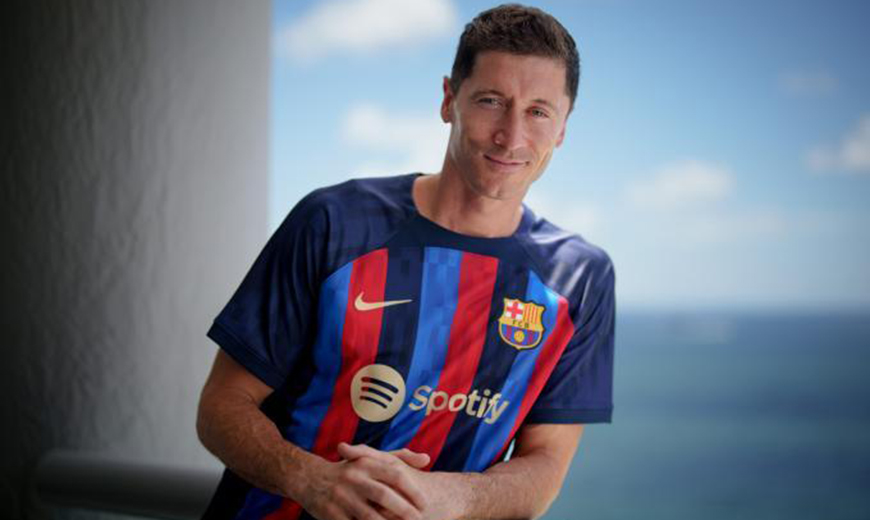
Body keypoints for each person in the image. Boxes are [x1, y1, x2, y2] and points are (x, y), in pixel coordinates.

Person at [196, 4, 615, 520]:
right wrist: (312, 480)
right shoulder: (334, 222)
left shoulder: (580, 278)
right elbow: (221, 407)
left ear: (563, 127)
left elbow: (546, 465)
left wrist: (452, 497)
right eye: (491, 101)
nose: (511, 136)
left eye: (538, 112)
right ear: (449, 100)